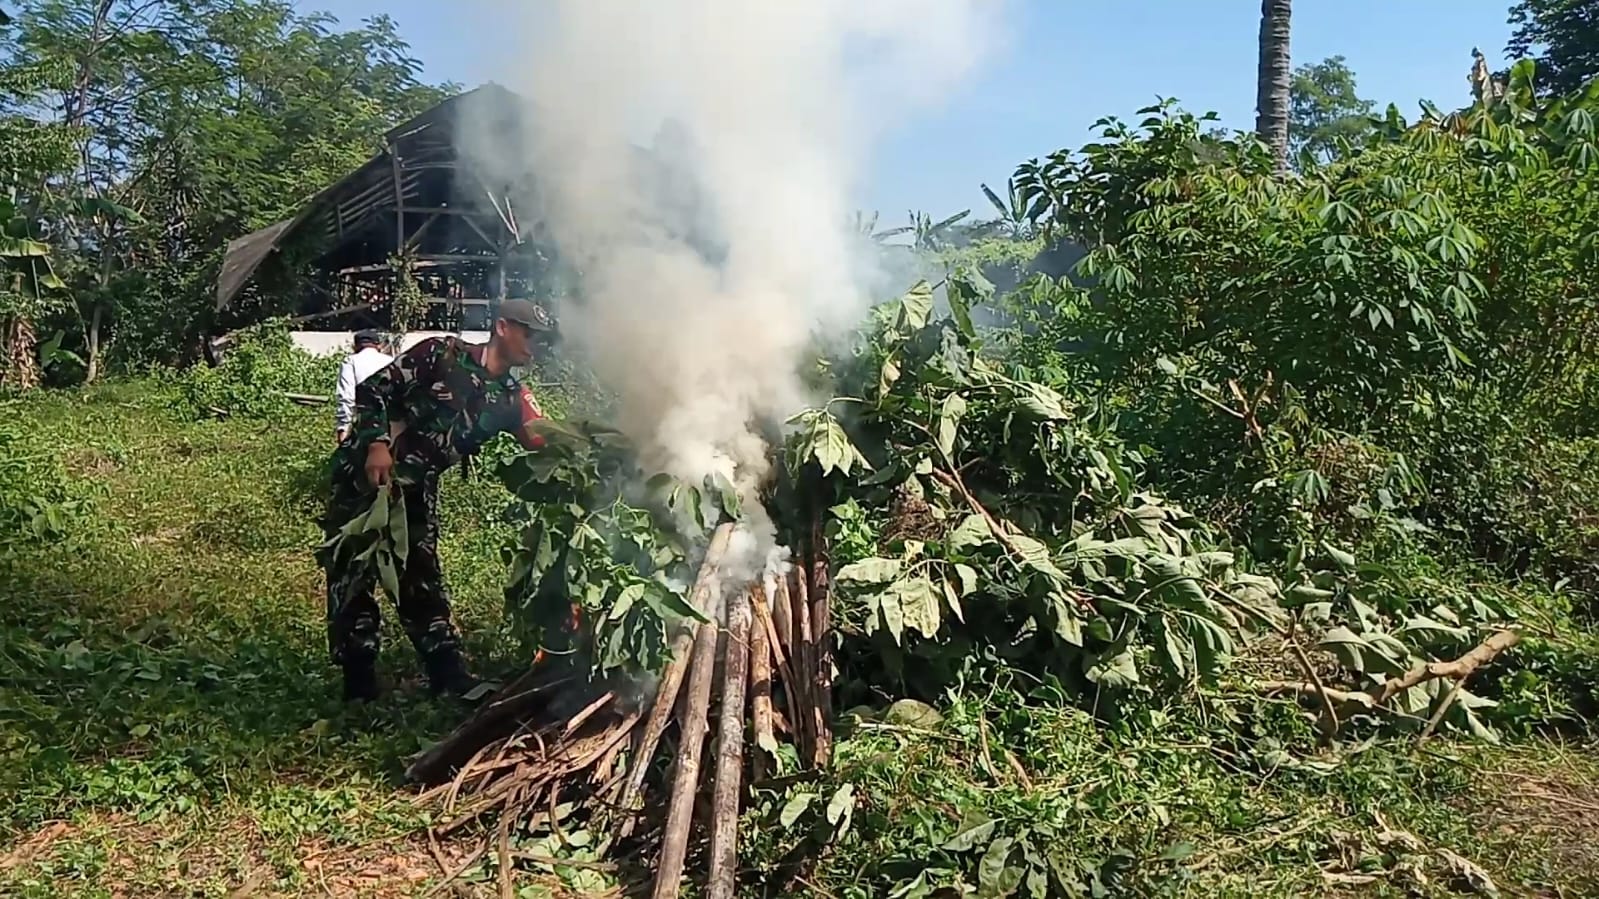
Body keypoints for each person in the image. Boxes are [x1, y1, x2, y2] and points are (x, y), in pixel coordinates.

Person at [318, 299, 555, 703]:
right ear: (502, 327)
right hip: (364, 476)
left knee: (421, 574)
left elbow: (547, 440)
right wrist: (376, 444)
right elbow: (374, 389)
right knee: (352, 573)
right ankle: (358, 680)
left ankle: (446, 672)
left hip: (415, 486)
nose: (535, 344)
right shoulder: (440, 353)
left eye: (542, 338)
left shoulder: (511, 398)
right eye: (528, 333)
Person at [333, 330, 393, 445]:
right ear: (378, 345)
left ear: (355, 346)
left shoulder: (350, 361)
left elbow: (346, 396)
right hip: (390, 422)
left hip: (365, 421)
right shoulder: (390, 361)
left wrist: (343, 427)